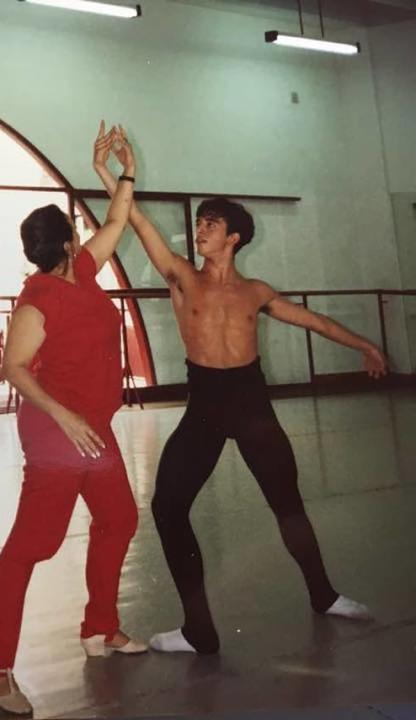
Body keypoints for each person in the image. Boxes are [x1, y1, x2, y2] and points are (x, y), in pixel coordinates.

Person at [93, 133, 387, 655]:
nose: (200, 230)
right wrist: (116, 171)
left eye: (211, 224)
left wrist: (365, 343)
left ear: (234, 238)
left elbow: (313, 319)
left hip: (251, 403)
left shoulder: (257, 292)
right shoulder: (182, 276)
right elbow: (134, 220)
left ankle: (324, 595)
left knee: (287, 503)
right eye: (199, 222)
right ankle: (198, 628)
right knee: (167, 506)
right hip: (205, 405)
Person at [0, 123, 145, 716]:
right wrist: (65, 415)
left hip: (93, 429)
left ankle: (100, 628)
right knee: (34, 545)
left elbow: (119, 223)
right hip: (57, 434)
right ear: (68, 241)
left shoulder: (84, 274)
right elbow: (14, 367)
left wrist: (123, 170)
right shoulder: (38, 298)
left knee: (119, 518)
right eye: (77, 231)